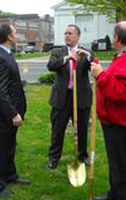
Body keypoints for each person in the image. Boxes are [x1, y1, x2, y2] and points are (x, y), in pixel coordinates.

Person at [0, 23, 30, 198]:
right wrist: (13, 113)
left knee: (9, 147)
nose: (17, 33)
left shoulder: (6, 54)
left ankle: (10, 176)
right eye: (15, 31)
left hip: (9, 114)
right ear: (9, 37)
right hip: (1, 116)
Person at [47, 24, 93, 169]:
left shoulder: (85, 52)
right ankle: (54, 158)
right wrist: (67, 58)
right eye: (65, 33)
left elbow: (94, 62)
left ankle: (82, 156)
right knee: (57, 130)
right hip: (62, 97)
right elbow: (51, 65)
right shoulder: (58, 52)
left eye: (70, 33)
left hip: (81, 97)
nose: (67, 35)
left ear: (78, 37)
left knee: (82, 129)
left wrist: (87, 56)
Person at [91, 21, 126, 200]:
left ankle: (119, 196)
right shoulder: (120, 57)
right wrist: (97, 66)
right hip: (112, 121)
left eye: (113, 35)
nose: (112, 38)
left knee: (119, 164)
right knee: (116, 163)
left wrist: (101, 75)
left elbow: (120, 92)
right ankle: (114, 194)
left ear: (118, 38)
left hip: (118, 124)